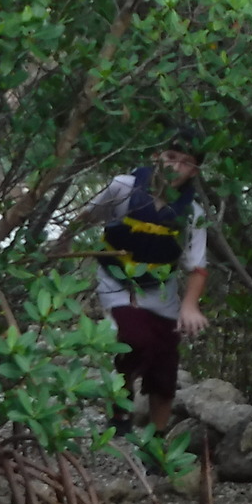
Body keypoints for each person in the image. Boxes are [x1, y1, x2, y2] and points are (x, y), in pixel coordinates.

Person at [81, 141, 209, 434]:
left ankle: (156, 441)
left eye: (186, 162)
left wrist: (190, 306)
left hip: (160, 289)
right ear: (156, 157)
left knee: (165, 359)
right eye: (170, 157)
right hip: (115, 280)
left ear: (194, 171)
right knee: (134, 338)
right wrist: (61, 243)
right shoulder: (123, 188)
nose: (175, 167)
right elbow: (88, 216)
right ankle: (120, 402)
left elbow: (197, 267)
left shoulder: (192, 213)